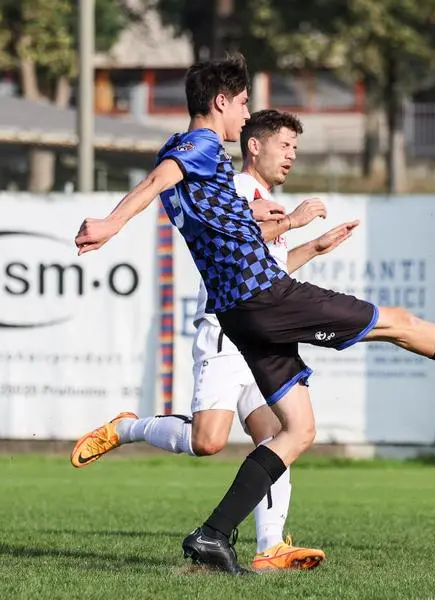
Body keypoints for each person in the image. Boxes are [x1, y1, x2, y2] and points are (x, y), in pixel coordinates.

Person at [73, 54, 435, 575]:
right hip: (265, 298)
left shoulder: (198, 161)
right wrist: (112, 222)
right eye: (244, 104)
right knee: (399, 325)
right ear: (221, 103)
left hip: (240, 314)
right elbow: (161, 178)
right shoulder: (202, 144)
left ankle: (213, 536)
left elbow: (202, 205)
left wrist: (257, 217)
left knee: (297, 430)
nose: (245, 114)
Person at [69, 109, 357, 572]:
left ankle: (270, 547)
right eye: (285, 146)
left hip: (256, 334)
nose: (292, 157)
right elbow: (245, 241)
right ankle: (127, 428)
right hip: (225, 331)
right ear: (255, 146)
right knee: (207, 442)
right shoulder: (236, 189)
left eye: (296, 150)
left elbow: (268, 274)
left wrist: (316, 248)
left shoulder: (260, 194)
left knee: (277, 434)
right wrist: (294, 222)